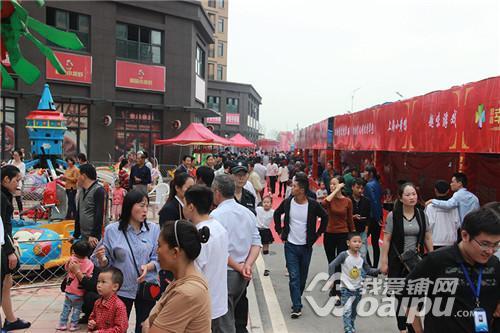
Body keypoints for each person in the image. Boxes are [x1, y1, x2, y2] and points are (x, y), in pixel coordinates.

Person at [406, 202, 500, 333]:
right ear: (465, 235)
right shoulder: (437, 261)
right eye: (485, 244)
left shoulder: (494, 264)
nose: (490, 251)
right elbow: (409, 299)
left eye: (496, 245)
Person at [93, 190, 160, 333]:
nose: (145, 210)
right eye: (141, 205)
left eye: (146, 206)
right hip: (121, 289)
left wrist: (148, 267)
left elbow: (159, 258)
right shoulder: (112, 230)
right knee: (117, 327)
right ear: (129, 206)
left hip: (147, 286)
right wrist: (102, 259)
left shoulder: (154, 229)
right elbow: (104, 262)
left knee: (144, 327)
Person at [210, 175, 262, 333]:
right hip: (242, 276)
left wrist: (239, 267)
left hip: (225, 273)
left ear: (217, 192)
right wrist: (247, 265)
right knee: (230, 317)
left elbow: (218, 250)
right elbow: (256, 243)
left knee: (223, 323)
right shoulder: (248, 213)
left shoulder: (216, 216)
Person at [379, 182, 433, 333]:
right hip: (398, 263)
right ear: (401, 198)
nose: (412, 197)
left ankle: (411, 325)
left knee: (416, 297)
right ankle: (404, 327)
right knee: (401, 297)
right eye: (408, 195)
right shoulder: (393, 216)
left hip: (417, 263)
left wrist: (433, 257)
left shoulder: (422, 214)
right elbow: (387, 240)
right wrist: (384, 262)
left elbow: (428, 237)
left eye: (414, 194)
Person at [274, 175, 328, 319]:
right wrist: (279, 231)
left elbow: (325, 217)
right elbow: (277, 213)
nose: (292, 188)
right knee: (294, 277)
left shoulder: (313, 204)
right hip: (290, 245)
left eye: (295, 186)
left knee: (302, 278)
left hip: (306, 247)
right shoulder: (288, 202)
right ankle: (296, 306)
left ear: (302, 190)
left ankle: (297, 297)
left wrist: (318, 234)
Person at [143, 220, 211, 333]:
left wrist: (147, 326)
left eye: (159, 245)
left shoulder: (187, 293)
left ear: (175, 252)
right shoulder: (181, 280)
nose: (156, 251)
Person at [183, 185, 229, 330]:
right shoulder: (219, 228)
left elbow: (194, 273)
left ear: (191, 207)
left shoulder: (197, 235)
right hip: (218, 301)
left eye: (185, 203)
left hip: (200, 306)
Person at [328, 232, 380, 333]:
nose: (357, 244)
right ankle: (348, 329)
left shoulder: (361, 257)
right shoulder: (344, 255)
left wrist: (380, 270)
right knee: (347, 310)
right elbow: (332, 265)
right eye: (354, 241)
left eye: (360, 242)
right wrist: (332, 279)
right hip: (345, 288)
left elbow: (368, 270)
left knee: (354, 311)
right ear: (348, 243)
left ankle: (351, 324)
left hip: (358, 288)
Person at [1, 165, 31, 332]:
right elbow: (1, 228)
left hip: (4, 246)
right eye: (17, 180)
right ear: (6, 179)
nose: (19, 184)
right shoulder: (1, 197)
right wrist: (9, 251)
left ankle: (11, 319)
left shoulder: (5, 195)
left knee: (7, 282)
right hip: (3, 248)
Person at [322, 175, 354, 301]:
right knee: (331, 262)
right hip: (329, 233)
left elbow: (350, 219)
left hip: (343, 233)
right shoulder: (329, 199)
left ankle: (337, 289)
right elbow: (324, 204)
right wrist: (335, 191)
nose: (331, 186)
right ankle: (334, 286)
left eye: (334, 184)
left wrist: (353, 235)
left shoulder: (347, 201)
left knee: (339, 262)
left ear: (341, 185)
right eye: (330, 184)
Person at [57, 240, 94, 331]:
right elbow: (89, 277)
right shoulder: (89, 263)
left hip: (69, 289)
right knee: (77, 309)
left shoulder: (71, 259)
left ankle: (62, 324)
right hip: (79, 292)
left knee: (66, 307)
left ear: (74, 250)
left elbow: (66, 268)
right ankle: (73, 325)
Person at [74, 164, 106, 249]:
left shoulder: (98, 190)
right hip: (83, 235)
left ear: (83, 176)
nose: (76, 178)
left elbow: (99, 214)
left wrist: (94, 235)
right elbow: (79, 213)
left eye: (78, 175)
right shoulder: (82, 191)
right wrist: (76, 234)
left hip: (92, 238)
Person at [88, 267, 128, 333]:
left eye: (103, 282)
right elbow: (92, 317)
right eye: (98, 282)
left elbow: (121, 329)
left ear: (115, 287)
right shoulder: (97, 302)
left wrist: (101, 332)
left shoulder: (119, 306)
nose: (99, 285)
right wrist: (92, 323)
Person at [425, 180, 461, 250]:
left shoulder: (431, 206)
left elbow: (429, 224)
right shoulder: (454, 207)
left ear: (435, 190)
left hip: (435, 241)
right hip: (451, 242)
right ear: (448, 191)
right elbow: (458, 224)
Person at [363, 165, 383, 268]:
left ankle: (369, 265)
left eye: (365, 172)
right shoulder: (378, 184)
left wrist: (376, 216)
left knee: (362, 241)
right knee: (375, 243)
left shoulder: (368, 186)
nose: (363, 174)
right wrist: (379, 216)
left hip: (370, 218)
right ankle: (374, 266)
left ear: (370, 173)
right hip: (377, 216)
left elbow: (374, 202)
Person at [349, 178, 372, 259]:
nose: (360, 190)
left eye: (362, 188)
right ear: (352, 187)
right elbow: (344, 216)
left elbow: (368, 217)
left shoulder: (366, 201)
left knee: (362, 254)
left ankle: (362, 272)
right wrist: (352, 217)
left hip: (362, 231)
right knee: (350, 255)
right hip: (350, 231)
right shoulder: (348, 200)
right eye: (357, 187)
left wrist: (366, 230)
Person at [256, 195, 275, 276]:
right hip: (257, 230)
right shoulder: (258, 209)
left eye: (268, 202)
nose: (266, 204)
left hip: (266, 231)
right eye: (264, 202)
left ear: (271, 204)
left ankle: (266, 268)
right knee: (254, 249)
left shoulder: (272, 212)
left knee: (265, 250)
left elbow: (280, 218)